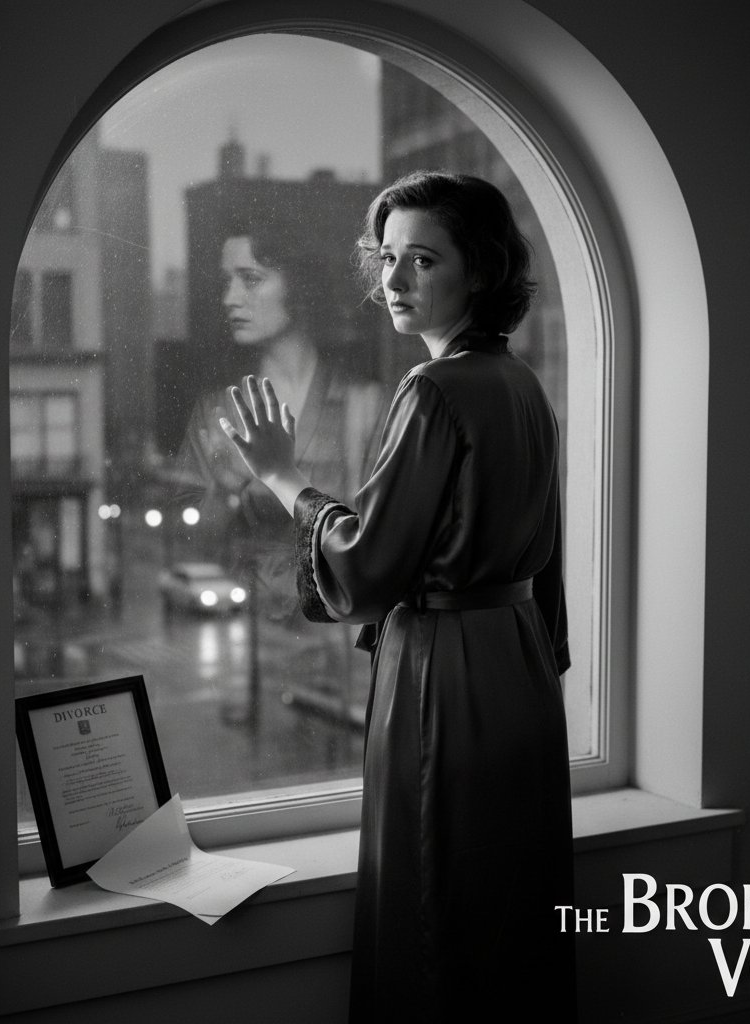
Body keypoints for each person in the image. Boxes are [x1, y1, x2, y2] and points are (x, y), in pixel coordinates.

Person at [218, 172, 576, 1021]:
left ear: (479, 272)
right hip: (519, 671)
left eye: (422, 259)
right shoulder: (521, 385)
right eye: (386, 258)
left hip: (444, 673)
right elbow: (546, 559)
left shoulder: (436, 389)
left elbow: (367, 568)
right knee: (507, 905)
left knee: (434, 901)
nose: (394, 280)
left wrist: (280, 475)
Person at [173, 213, 389, 731]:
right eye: (226, 281)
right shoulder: (214, 412)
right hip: (251, 663)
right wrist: (227, 492)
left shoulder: (364, 405)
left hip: (347, 665)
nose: (230, 298)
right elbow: (190, 548)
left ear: (301, 286)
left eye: (250, 279)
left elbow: (380, 544)